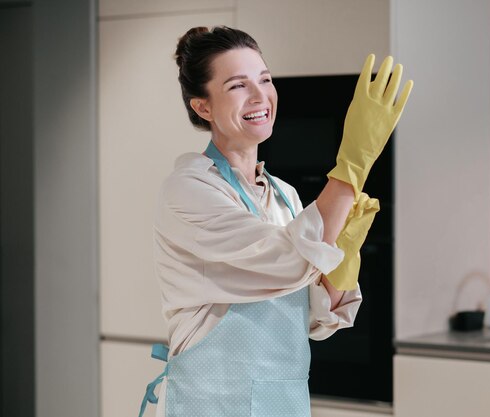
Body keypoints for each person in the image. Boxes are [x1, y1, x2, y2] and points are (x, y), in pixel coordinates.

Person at [138, 25, 412, 417]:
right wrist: (353, 160)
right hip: (213, 406)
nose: (260, 95)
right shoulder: (188, 189)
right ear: (203, 107)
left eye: (265, 79)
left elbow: (317, 321)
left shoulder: (284, 195)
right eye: (237, 86)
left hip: (284, 405)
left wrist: (343, 264)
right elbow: (289, 260)